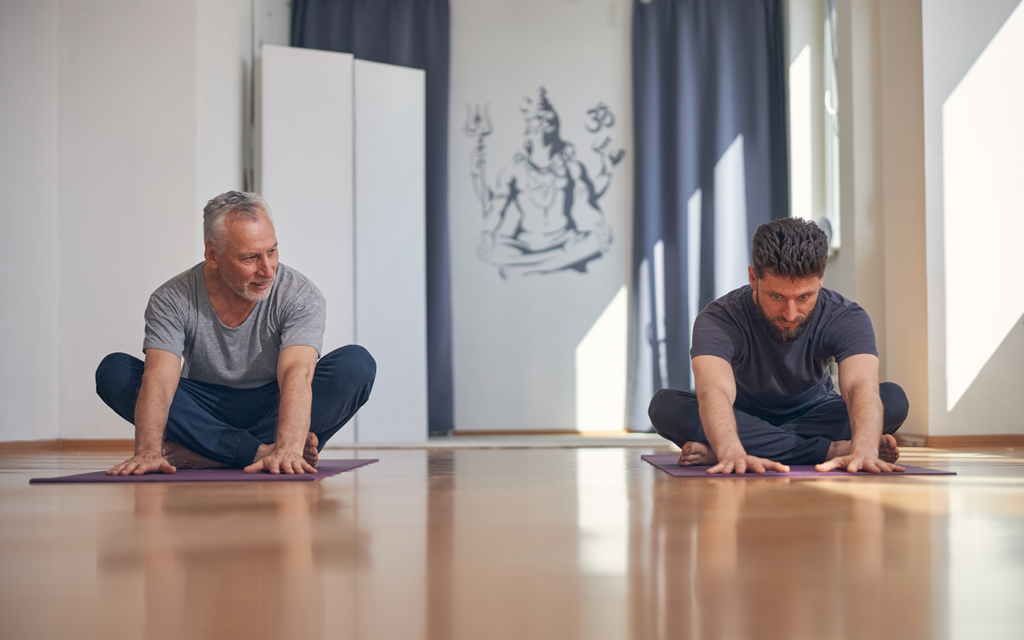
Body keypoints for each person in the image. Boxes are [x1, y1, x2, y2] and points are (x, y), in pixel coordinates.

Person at [96, 191, 375, 475]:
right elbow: (160, 378)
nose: (267, 270)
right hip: (205, 410)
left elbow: (297, 374)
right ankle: (257, 451)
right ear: (212, 255)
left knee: (355, 365)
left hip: (274, 404)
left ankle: (212, 453)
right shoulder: (171, 299)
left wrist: (289, 449)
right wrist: (148, 452)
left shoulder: (300, 295)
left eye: (272, 251)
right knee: (115, 371)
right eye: (250, 257)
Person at [648, 217, 907, 475]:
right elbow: (713, 390)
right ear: (753, 278)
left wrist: (863, 449)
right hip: (740, 415)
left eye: (804, 297)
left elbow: (859, 385)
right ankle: (830, 449)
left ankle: (742, 447)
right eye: (777, 296)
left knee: (893, 400)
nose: (791, 313)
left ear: (821, 279)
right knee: (665, 406)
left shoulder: (846, 316)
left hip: (816, 416)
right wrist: (730, 450)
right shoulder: (719, 318)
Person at [472, 88, 621, 277]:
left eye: (547, 121)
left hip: (564, 239)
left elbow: (585, 200)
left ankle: (526, 268)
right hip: (525, 244)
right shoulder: (513, 170)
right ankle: (554, 263)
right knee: (492, 249)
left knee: (596, 241)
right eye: (537, 121)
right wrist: (486, 232)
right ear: (528, 128)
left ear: (556, 127)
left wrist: (599, 223)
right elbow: (497, 207)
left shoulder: (571, 167)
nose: (542, 126)